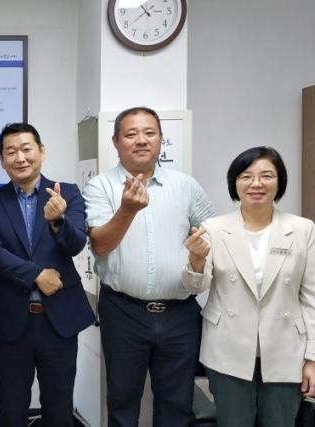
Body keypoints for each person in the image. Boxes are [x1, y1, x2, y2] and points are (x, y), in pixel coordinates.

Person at [83, 106, 214, 427]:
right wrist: (127, 210)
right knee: (122, 402)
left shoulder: (185, 186)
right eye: (131, 134)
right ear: (116, 141)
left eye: (149, 133)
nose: (141, 140)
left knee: (177, 405)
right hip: (123, 312)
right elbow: (100, 244)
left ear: (160, 139)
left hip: (181, 313)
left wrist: (201, 252)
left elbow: (213, 235)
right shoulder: (101, 186)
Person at [183, 146, 315, 426]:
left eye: (267, 176)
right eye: (246, 176)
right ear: (235, 182)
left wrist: (312, 359)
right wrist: (196, 260)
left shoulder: (302, 229)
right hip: (227, 349)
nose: (256, 183)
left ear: (279, 182)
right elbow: (195, 287)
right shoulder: (214, 228)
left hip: (286, 350)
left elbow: (312, 298)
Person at [0, 123, 94, 426]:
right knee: (12, 407)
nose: (20, 157)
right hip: (11, 319)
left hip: (59, 319)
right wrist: (37, 275)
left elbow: (76, 244)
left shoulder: (67, 193)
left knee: (59, 407)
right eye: (11, 152)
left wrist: (58, 221)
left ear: (41, 151)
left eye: (26, 149)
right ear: (2, 159)